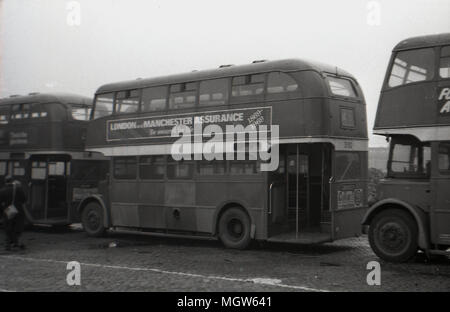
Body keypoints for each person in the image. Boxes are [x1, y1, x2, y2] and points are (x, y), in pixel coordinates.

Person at [1, 176, 28, 251]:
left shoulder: (3, 190)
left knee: (8, 227)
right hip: (19, 211)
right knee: (17, 227)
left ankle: (8, 244)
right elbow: (24, 200)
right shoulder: (19, 190)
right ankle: (17, 243)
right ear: (12, 181)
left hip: (8, 211)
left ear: (5, 181)